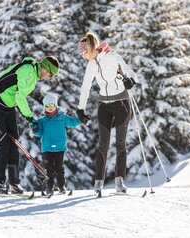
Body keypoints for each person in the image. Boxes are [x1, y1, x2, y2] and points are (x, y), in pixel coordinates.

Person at [0, 56, 60, 194]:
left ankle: (14, 184)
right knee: (4, 143)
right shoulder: (28, 71)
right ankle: (0, 183)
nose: (50, 77)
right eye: (51, 74)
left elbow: (15, 94)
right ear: (45, 68)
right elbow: (20, 97)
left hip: (7, 107)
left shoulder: (32, 75)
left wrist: (29, 118)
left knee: (15, 144)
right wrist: (30, 117)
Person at [76, 32, 138, 193]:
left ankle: (119, 181)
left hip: (121, 103)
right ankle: (98, 182)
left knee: (120, 143)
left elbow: (131, 73)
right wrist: (80, 109)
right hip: (104, 105)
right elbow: (85, 87)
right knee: (103, 144)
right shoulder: (91, 65)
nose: (83, 56)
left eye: (83, 53)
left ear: (89, 49)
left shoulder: (112, 57)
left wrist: (130, 81)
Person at [30, 94, 81, 194]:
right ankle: (49, 188)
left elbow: (72, 122)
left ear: (56, 106)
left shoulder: (62, 118)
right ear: (45, 107)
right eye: (47, 106)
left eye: (52, 106)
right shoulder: (42, 121)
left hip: (60, 147)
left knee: (59, 168)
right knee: (49, 169)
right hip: (47, 148)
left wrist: (81, 120)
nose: (50, 109)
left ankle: (61, 187)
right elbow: (39, 133)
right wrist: (35, 129)